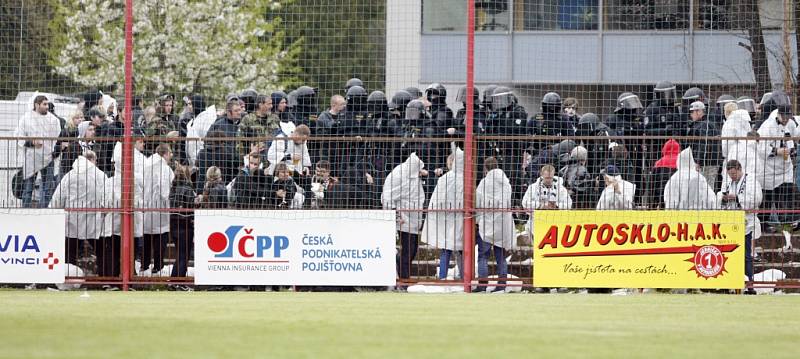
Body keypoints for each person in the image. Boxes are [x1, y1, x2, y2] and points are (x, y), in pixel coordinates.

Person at [49, 151, 107, 267]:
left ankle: (67, 275)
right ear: (93, 160)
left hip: (73, 218)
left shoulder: (70, 175)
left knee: (70, 251)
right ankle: (105, 276)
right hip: (93, 217)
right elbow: (106, 195)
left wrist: (53, 210)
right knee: (101, 250)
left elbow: (59, 196)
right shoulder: (100, 175)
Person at [382, 153, 427, 285]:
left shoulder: (411, 174)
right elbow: (388, 197)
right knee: (408, 249)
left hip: (412, 217)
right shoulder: (398, 175)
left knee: (412, 248)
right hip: (403, 218)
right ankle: (404, 278)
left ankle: (403, 274)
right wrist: (396, 215)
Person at [421, 147, 465, 280]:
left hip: (445, 218)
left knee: (446, 249)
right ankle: (464, 277)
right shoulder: (466, 178)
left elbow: (437, 200)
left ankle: (442, 277)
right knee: (461, 251)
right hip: (461, 216)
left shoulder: (445, 179)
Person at [717, 160, 762, 285]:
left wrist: (736, 198)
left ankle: (749, 282)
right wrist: (723, 197)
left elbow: (756, 200)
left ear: (739, 169)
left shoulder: (751, 180)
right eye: (730, 174)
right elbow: (720, 196)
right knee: (730, 253)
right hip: (731, 223)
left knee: (746, 255)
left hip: (748, 222)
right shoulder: (727, 181)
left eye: (734, 174)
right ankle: (731, 281)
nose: (732, 177)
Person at [475, 157, 514, 292]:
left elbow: (478, 202)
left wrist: (478, 220)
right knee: (501, 256)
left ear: (486, 169)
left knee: (483, 255)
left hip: (487, 221)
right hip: (502, 222)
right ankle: (502, 284)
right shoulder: (506, 183)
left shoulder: (483, 183)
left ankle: (482, 284)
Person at [757, 104, 799, 227]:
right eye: (784, 117)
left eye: (788, 117)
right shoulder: (767, 127)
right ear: (778, 115)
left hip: (785, 169)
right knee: (766, 201)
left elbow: (794, 139)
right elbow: (761, 149)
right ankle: (762, 226)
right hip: (768, 170)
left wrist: (792, 150)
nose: (786, 120)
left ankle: (789, 223)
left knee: (788, 195)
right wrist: (777, 151)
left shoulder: (790, 124)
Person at [16, 95, 61, 208]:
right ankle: (25, 211)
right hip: (32, 157)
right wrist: (32, 143)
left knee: (47, 188)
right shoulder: (26, 118)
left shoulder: (53, 120)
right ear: (37, 105)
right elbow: (19, 137)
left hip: (48, 157)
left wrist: (55, 152)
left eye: (47, 104)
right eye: (44, 104)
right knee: (28, 188)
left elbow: (58, 138)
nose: (47, 106)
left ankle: (44, 210)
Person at [141, 144, 175, 275]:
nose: (171, 155)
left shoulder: (147, 164)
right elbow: (165, 190)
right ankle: (158, 266)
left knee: (147, 237)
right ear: (165, 153)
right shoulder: (164, 169)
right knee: (160, 237)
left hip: (147, 206)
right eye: (170, 153)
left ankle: (144, 265)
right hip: (160, 207)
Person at [522, 164, 572, 238]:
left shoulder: (561, 189)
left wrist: (556, 206)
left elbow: (569, 204)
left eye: (550, 178)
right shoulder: (533, 187)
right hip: (536, 223)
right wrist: (541, 205)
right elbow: (525, 203)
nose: (549, 180)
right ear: (541, 175)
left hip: (556, 223)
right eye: (546, 178)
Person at [686, 101, 722, 191]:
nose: (691, 115)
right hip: (713, 161)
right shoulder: (711, 124)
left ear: (699, 111)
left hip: (705, 163)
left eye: (692, 112)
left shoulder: (702, 126)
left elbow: (703, 144)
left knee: (704, 189)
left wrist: (698, 161)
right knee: (709, 187)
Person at [170, 164, 196, 279]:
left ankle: (174, 279)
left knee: (180, 254)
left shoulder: (173, 189)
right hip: (185, 224)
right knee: (184, 255)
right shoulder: (188, 189)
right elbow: (190, 207)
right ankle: (178, 281)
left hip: (174, 223)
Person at [650, 139, 681, 208]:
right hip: (678, 198)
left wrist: (654, 202)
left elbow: (652, 184)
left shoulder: (659, 163)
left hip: (661, 197)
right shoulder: (681, 162)